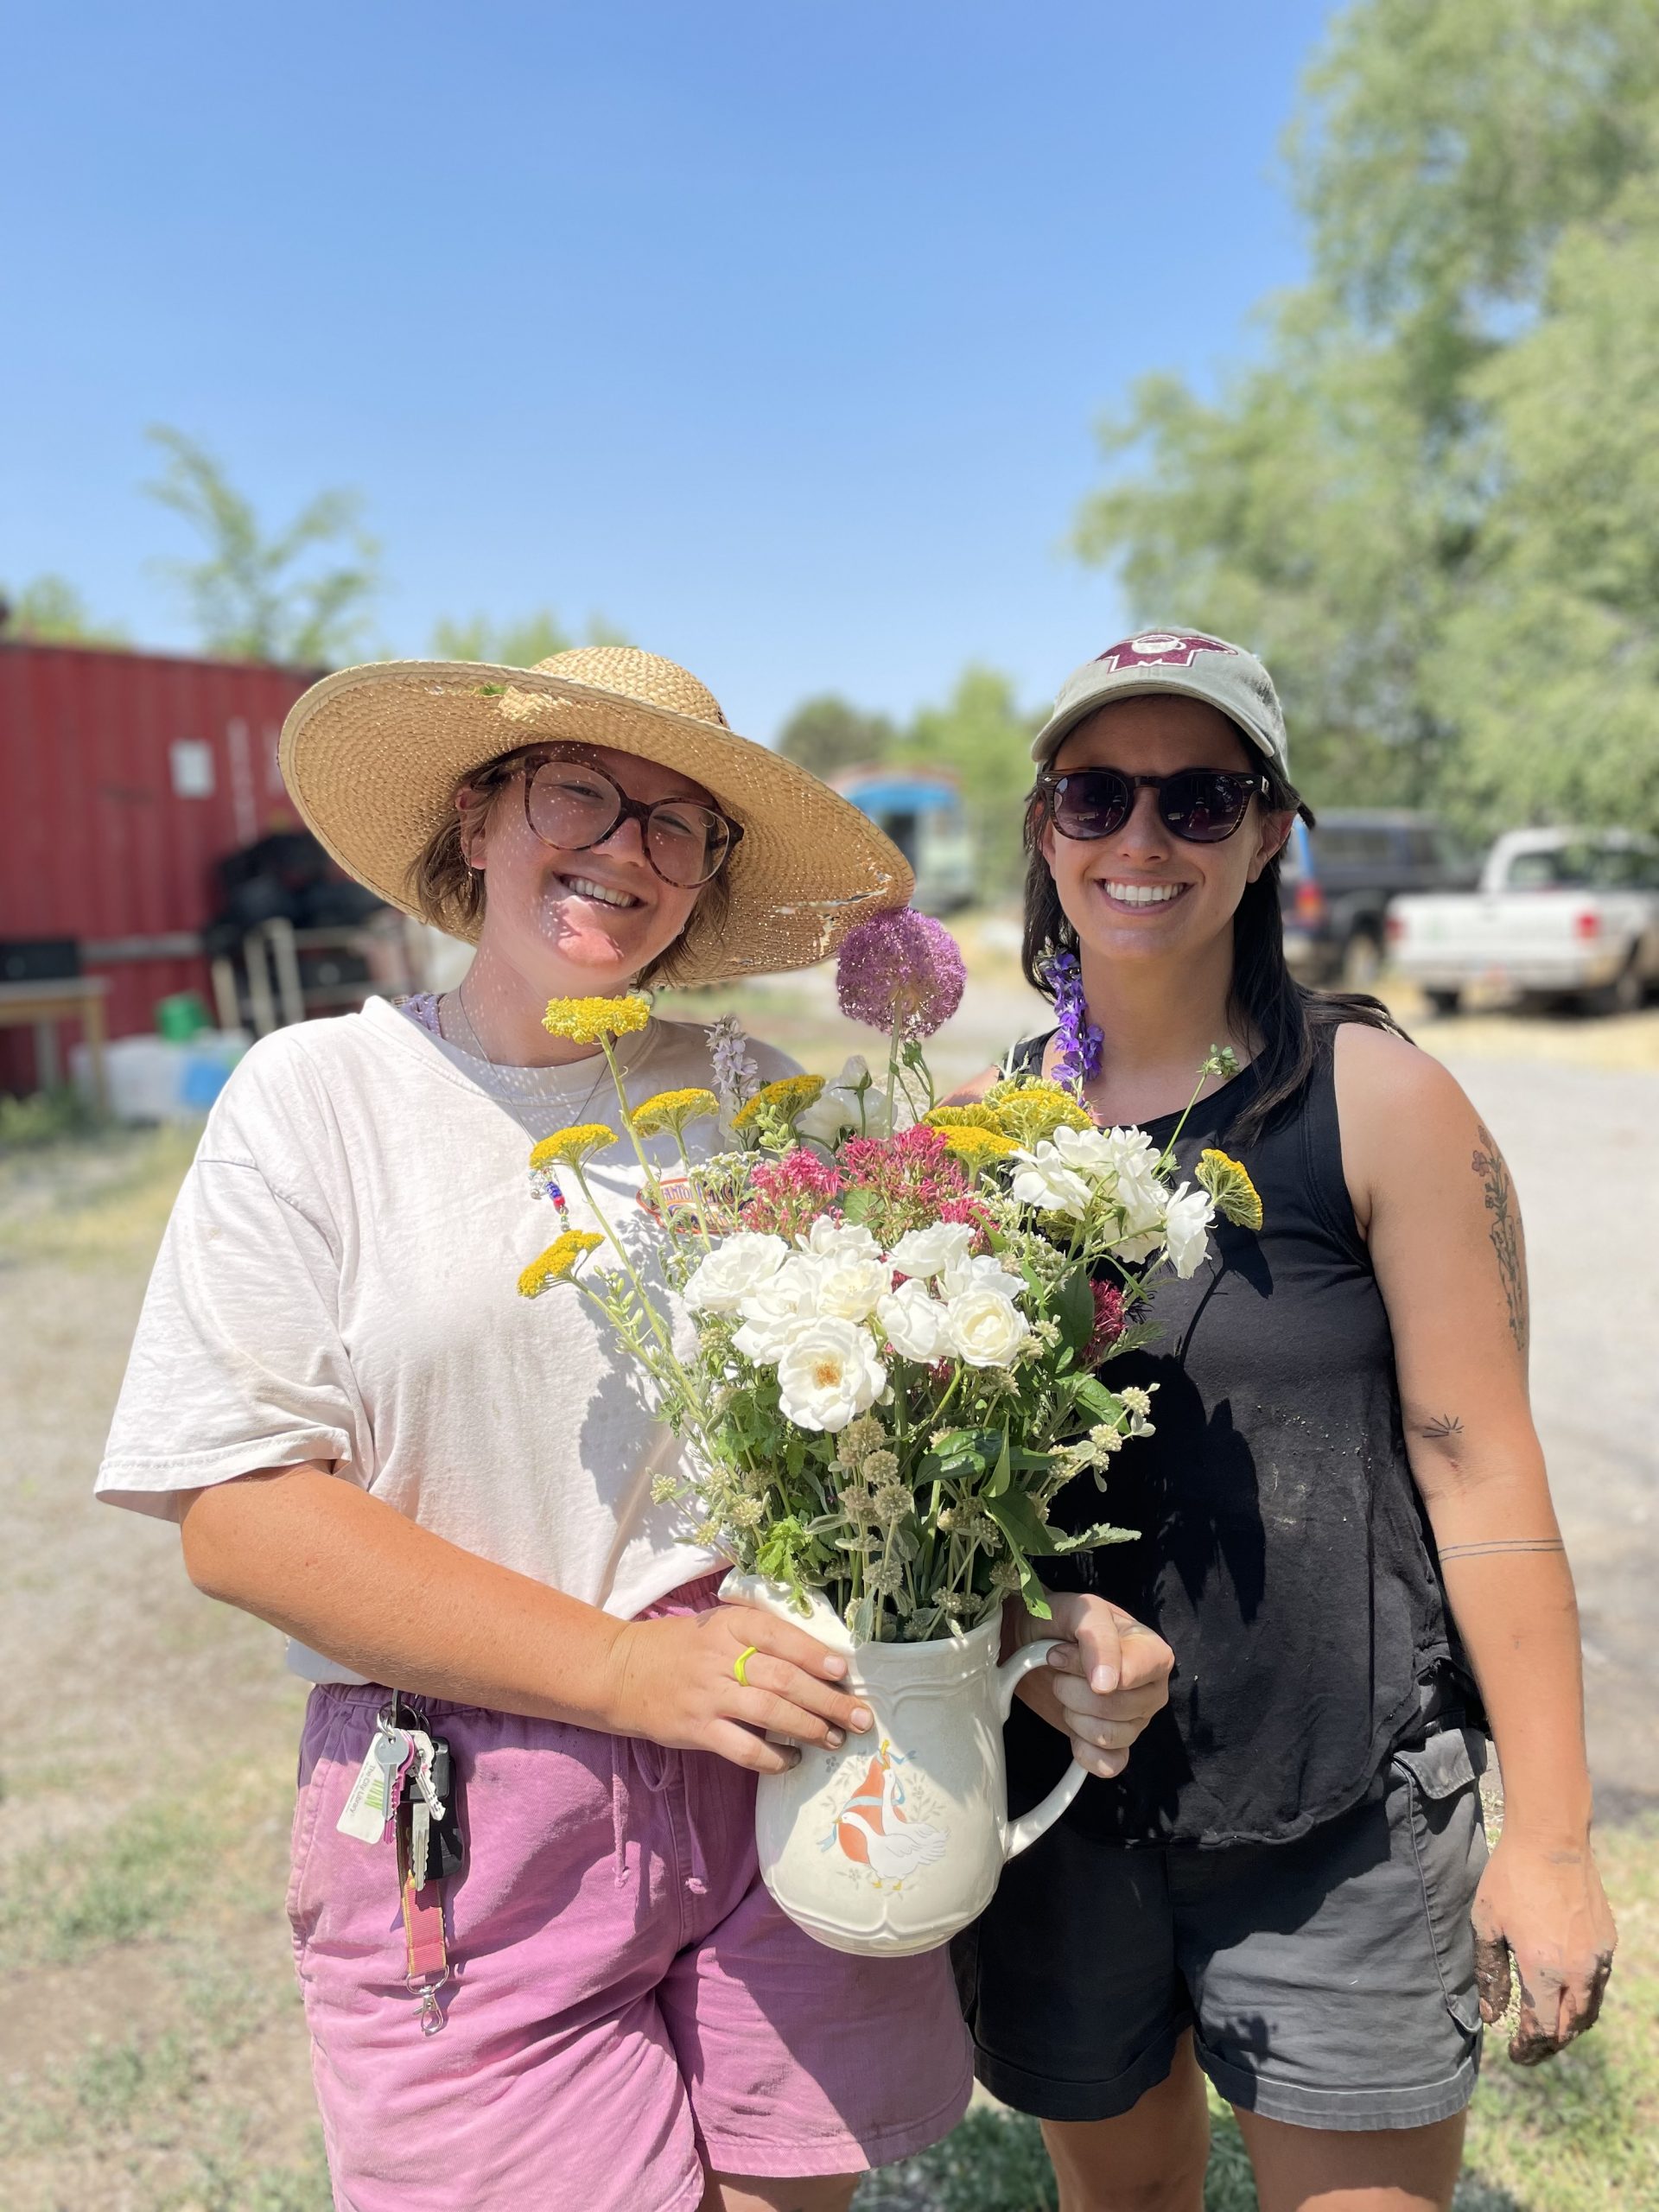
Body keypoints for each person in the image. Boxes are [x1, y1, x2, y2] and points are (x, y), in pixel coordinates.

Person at [96, 645, 1173, 2212]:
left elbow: (868, 1458)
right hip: (481, 1801)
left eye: (680, 827)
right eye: (578, 792)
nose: (625, 850)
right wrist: (617, 1671)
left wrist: (1020, 1617)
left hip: (795, 1740)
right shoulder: (316, 1096)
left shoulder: (763, 1105)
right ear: (477, 820)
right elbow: (240, 1509)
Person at [950, 631, 1617, 2212]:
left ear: (1268, 835)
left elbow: (1488, 1474)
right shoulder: (985, 1126)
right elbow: (947, 1506)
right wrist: (1022, 1627)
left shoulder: (1375, 1098)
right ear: (1046, 831)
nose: (1141, 840)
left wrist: (1557, 1842)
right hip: (1065, 1813)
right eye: (1097, 795)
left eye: (1201, 799)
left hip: (1346, 1808)